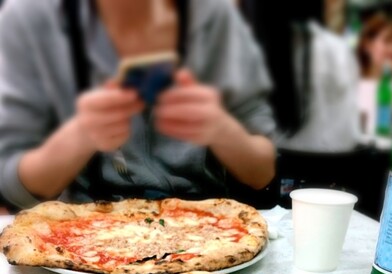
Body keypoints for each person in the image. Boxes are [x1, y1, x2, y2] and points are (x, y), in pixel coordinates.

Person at [0, 0, 276, 211]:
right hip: (82, 232)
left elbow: (263, 172)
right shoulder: (31, 17)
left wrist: (220, 129)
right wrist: (80, 136)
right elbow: (12, 186)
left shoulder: (214, 15)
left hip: (206, 228)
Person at [240, 0, 360, 153]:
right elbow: (349, 134)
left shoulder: (247, 55)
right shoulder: (337, 51)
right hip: (336, 163)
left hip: (270, 163)